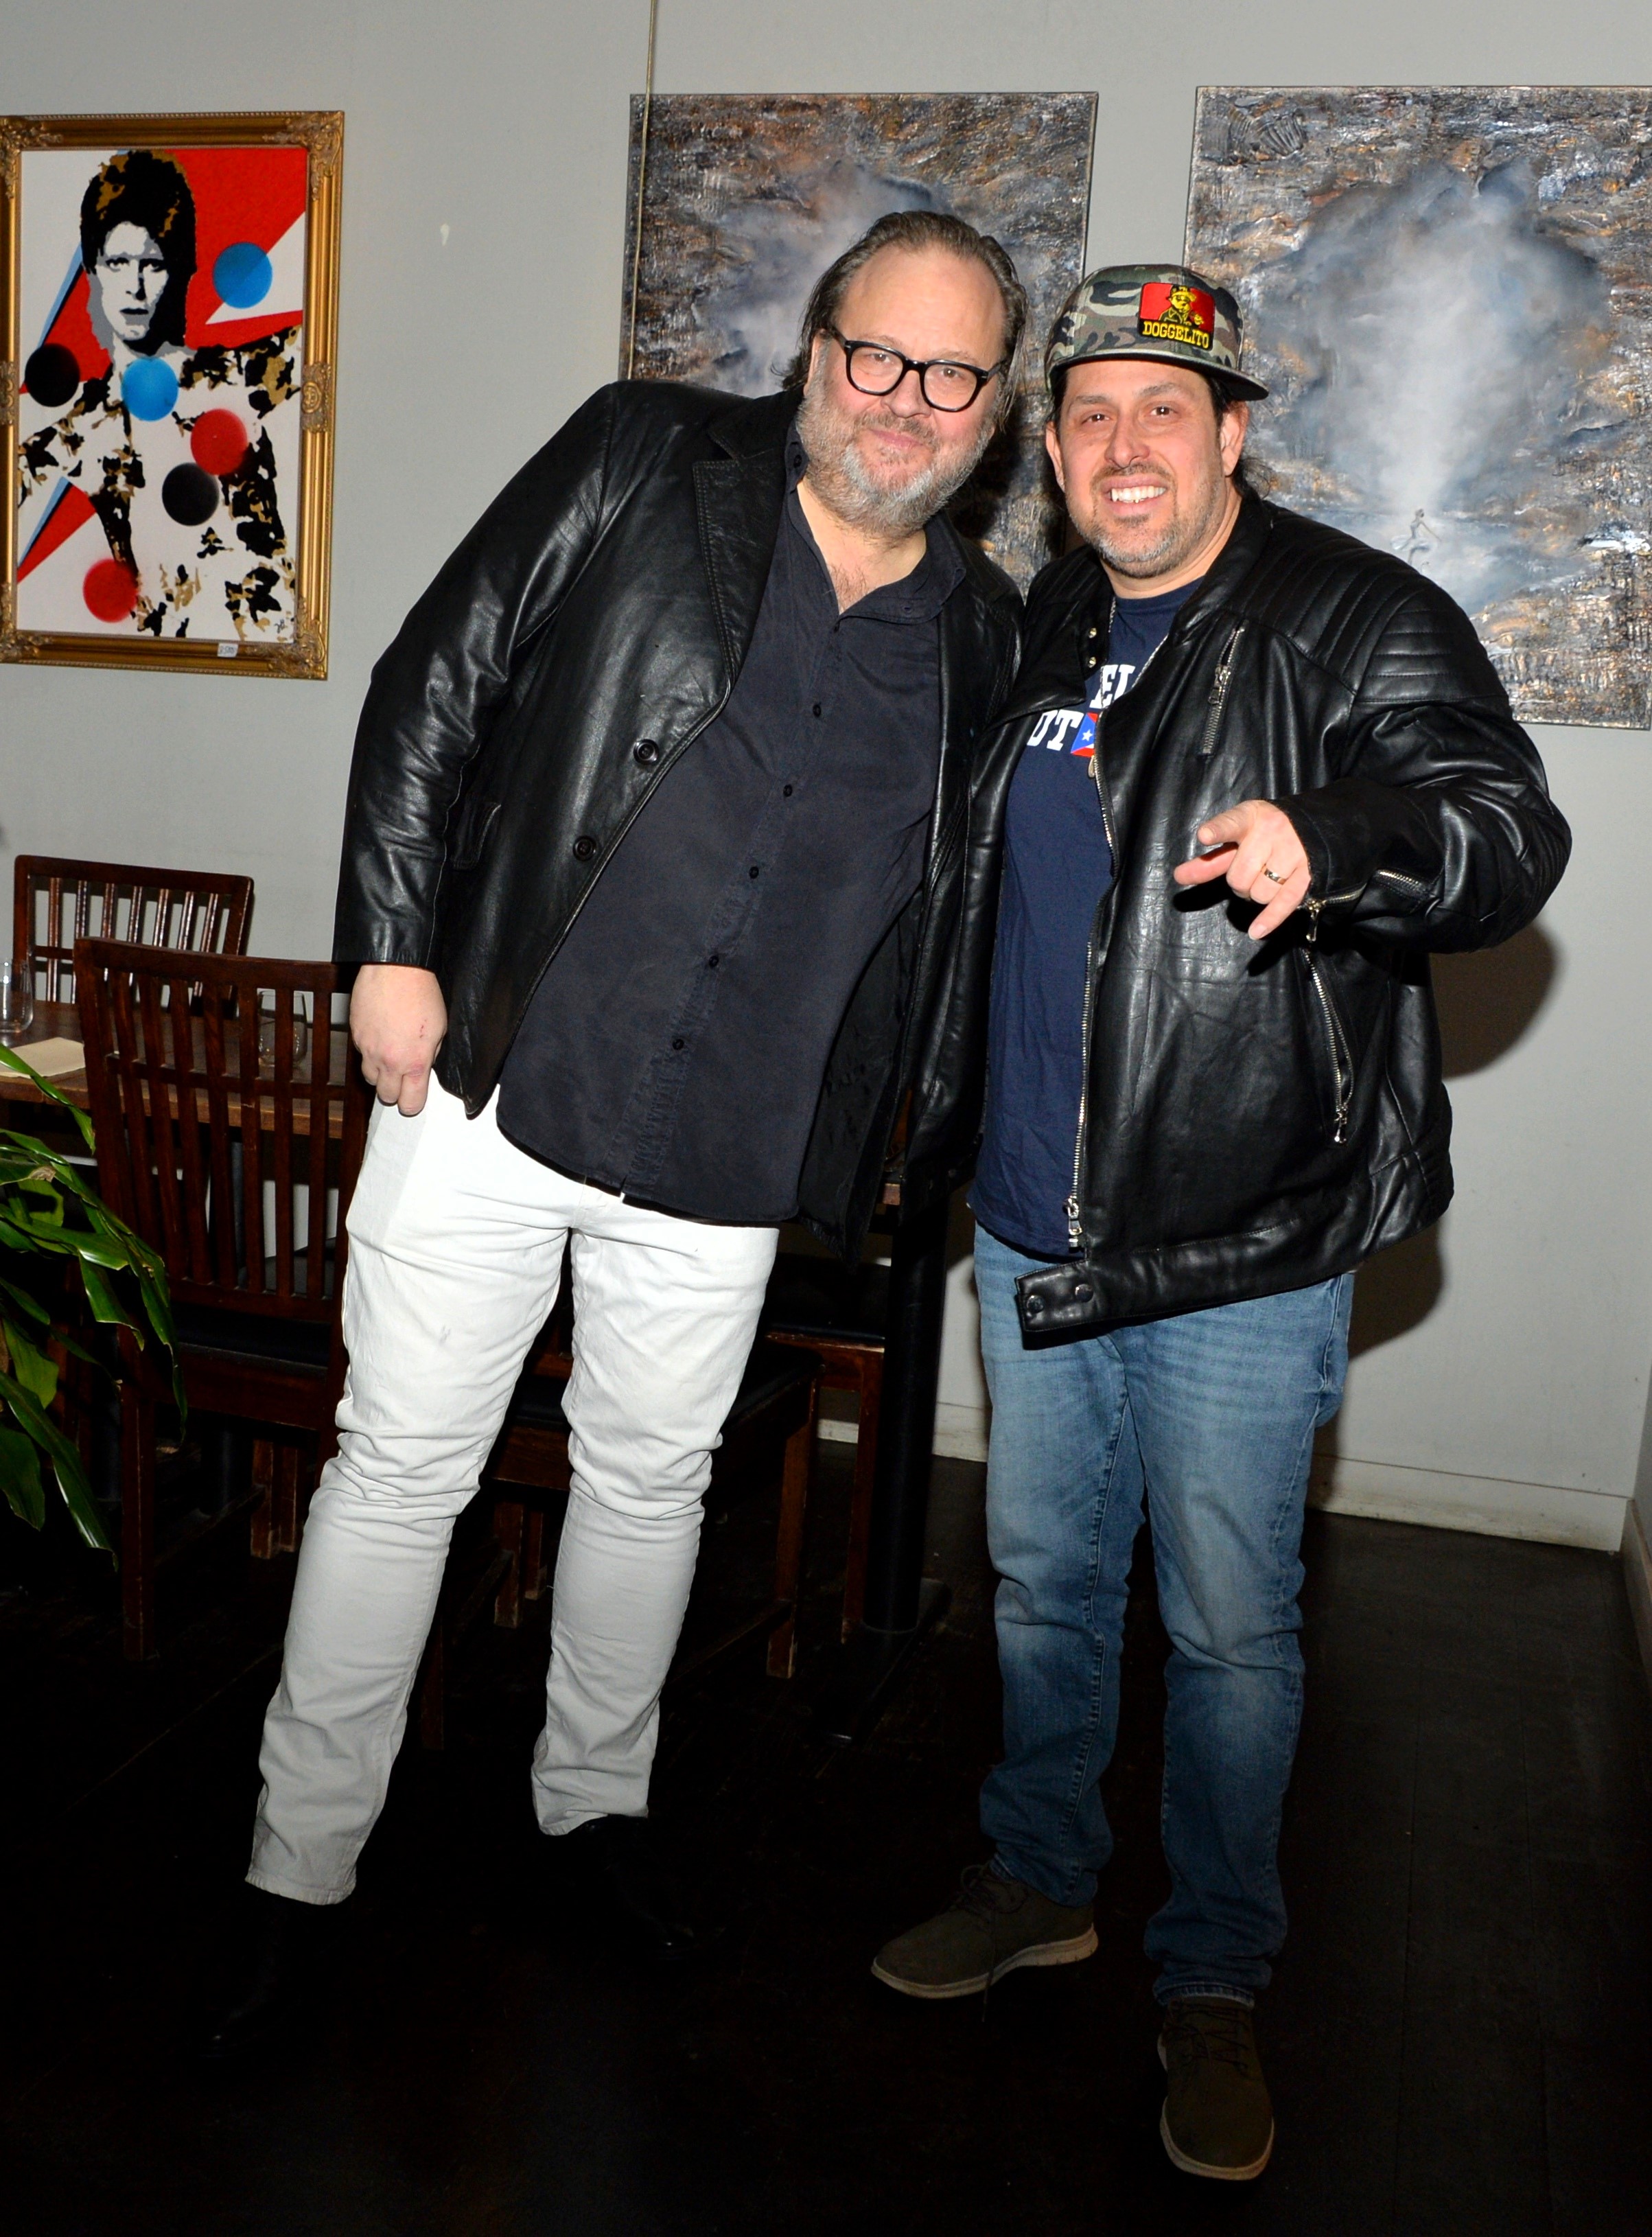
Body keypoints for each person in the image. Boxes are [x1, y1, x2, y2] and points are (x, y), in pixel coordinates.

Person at [203, 210, 1027, 2055]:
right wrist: (388, 946)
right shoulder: (642, 455)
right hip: (497, 1083)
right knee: (397, 1478)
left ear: (992, 411)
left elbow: (966, 906)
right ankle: (294, 1867)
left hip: (735, 1152)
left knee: (652, 1492)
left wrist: (915, 1119)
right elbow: (434, 675)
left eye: (949, 373)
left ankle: (588, 1818)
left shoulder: (982, 634)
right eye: (874, 354)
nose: (901, 399)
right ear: (814, 349)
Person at [870, 264, 1570, 2181]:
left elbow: (1504, 830)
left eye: (1161, 410)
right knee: (1040, 1585)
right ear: (1049, 445)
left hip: (1240, 1242)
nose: (1121, 447)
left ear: (1230, 431)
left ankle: (1209, 1970)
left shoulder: (1351, 615)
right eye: (1088, 411)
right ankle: (1037, 1876)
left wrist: (1335, 840)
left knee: (1226, 1628)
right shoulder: (1041, 623)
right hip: (1032, 1221)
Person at [18, 148, 297, 642]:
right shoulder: (86, 431)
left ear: (182, 267)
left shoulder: (239, 375)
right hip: (166, 658)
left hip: (272, 644)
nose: (136, 287)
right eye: (118, 263)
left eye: (152, 263)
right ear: (94, 272)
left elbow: (333, 338)